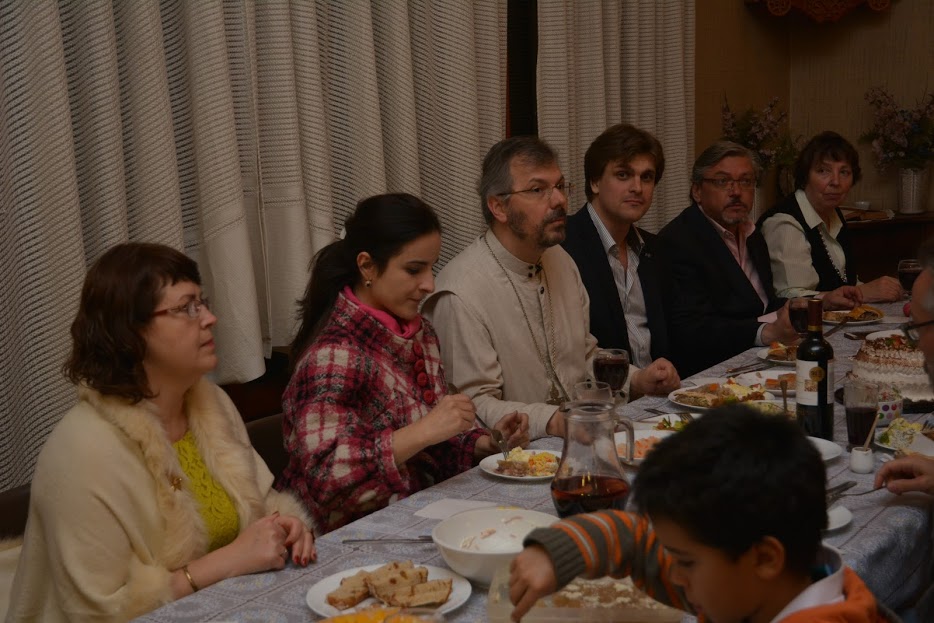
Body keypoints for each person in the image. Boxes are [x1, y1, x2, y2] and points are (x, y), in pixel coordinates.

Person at [6, 243, 315, 622]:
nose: (210, 318)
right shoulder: (82, 450)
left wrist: (284, 524)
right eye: (186, 308)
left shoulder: (211, 403)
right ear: (130, 334)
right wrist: (226, 561)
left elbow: (260, 506)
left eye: (202, 303)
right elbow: (98, 612)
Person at [278, 193, 528, 534]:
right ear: (367, 266)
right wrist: (423, 430)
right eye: (414, 270)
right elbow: (327, 478)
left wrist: (484, 444)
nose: (429, 284)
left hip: (411, 516)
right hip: (335, 537)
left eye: (431, 267)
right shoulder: (334, 355)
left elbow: (428, 451)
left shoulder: (419, 333)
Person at [509, 406, 901, 623]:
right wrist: (558, 552)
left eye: (686, 562)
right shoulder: (759, 584)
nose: (674, 575)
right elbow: (635, 540)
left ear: (766, 558)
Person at [422, 137, 680, 440]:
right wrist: (553, 420)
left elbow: (583, 356)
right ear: (499, 207)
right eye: (538, 190)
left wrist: (636, 381)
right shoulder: (460, 293)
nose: (559, 200)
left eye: (559, 186)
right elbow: (471, 407)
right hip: (514, 458)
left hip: (579, 438)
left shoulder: (560, 260)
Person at [655, 141, 860, 376]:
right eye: (722, 181)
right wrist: (766, 333)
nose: (736, 191)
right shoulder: (679, 241)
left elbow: (763, 304)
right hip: (712, 371)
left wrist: (821, 302)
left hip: (761, 359)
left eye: (745, 181)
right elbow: (693, 331)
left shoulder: (751, 233)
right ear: (697, 191)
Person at [561, 123, 670, 368]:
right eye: (623, 175)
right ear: (595, 182)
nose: (637, 188)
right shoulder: (562, 246)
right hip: (597, 388)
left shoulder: (656, 249)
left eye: (647, 177)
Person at [759, 131, 903, 303]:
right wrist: (862, 292)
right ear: (805, 176)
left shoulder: (833, 213)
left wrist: (879, 289)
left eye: (844, 172)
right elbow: (791, 297)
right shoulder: (785, 223)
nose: (836, 182)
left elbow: (846, 282)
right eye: (823, 171)